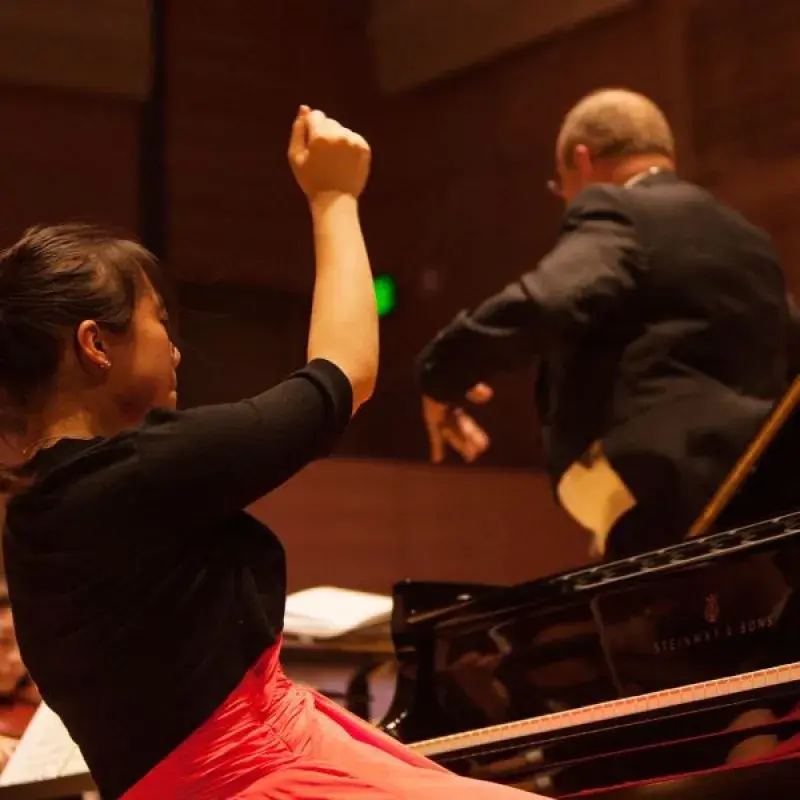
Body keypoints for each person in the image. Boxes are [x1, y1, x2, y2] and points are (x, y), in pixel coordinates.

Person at [0, 108, 534, 799]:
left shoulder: (35, 515)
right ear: (95, 345)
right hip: (261, 775)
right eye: (160, 320)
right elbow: (343, 375)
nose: (176, 346)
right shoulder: (135, 472)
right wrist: (333, 196)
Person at [417, 88, 797, 561]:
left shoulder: (620, 211)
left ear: (582, 161)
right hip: (754, 501)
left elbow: (546, 300)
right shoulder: (752, 241)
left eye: (562, 187)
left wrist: (442, 373)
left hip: (655, 492)